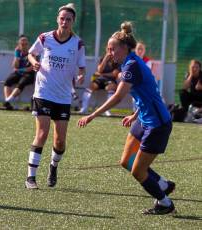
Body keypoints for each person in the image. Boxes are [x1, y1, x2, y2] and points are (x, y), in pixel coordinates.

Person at [78, 21, 176, 215]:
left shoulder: (131, 65)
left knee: (138, 171)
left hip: (157, 124)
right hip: (143, 118)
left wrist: (93, 114)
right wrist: (135, 114)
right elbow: (145, 92)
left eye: (111, 49)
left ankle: (165, 203)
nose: (109, 53)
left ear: (124, 48)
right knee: (126, 161)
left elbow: (118, 96)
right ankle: (163, 184)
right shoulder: (128, 62)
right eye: (108, 49)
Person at [25, 3, 86, 189]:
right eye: (62, 18)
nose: (65, 22)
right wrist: (34, 62)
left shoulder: (78, 43)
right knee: (42, 134)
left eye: (68, 19)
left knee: (59, 141)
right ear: (57, 20)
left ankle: (53, 167)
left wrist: (82, 75)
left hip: (63, 96)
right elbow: (30, 53)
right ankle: (30, 178)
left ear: (73, 21)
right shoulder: (45, 38)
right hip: (43, 92)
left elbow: (82, 67)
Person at [79, 51, 120, 115]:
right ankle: (84, 108)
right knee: (91, 86)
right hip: (100, 79)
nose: (110, 51)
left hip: (110, 80)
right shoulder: (103, 58)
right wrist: (105, 59)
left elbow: (114, 74)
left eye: (112, 49)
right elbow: (99, 70)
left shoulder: (117, 59)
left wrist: (102, 74)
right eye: (108, 49)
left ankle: (107, 110)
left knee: (111, 87)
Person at [3, 35, 35, 110]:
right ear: (19, 45)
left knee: (21, 83)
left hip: (29, 74)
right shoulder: (18, 52)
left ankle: (7, 101)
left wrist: (20, 70)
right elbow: (14, 66)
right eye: (22, 44)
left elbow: (31, 68)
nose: (24, 46)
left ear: (28, 44)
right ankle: (8, 103)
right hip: (18, 73)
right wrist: (17, 56)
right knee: (8, 81)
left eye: (25, 44)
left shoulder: (32, 52)